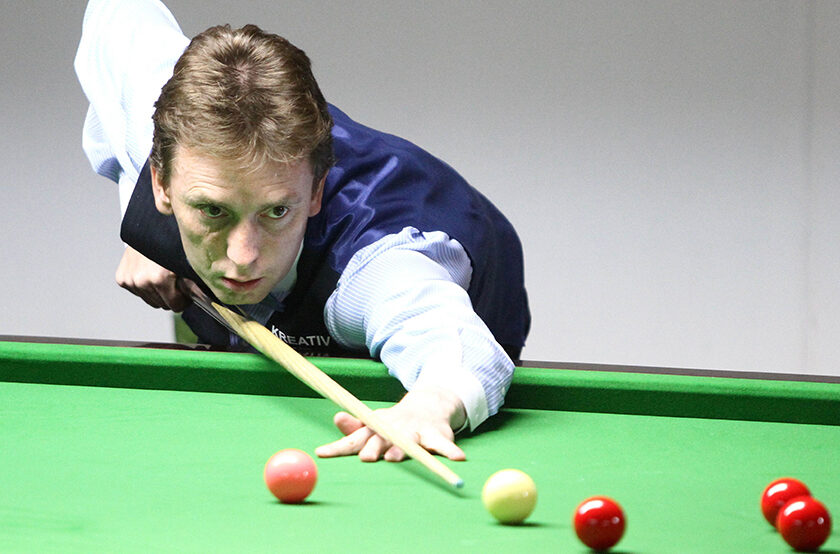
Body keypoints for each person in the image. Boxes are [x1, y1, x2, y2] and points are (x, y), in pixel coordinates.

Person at [75, 0, 529, 463]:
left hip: (467, 289)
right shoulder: (155, 114)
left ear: (315, 192)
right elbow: (117, 12)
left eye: (275, 212)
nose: (243, 255)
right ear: (161, 181)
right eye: (212, 210)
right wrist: (142, 217)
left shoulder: (374, 265)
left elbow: (450, 339)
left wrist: (432, 405)